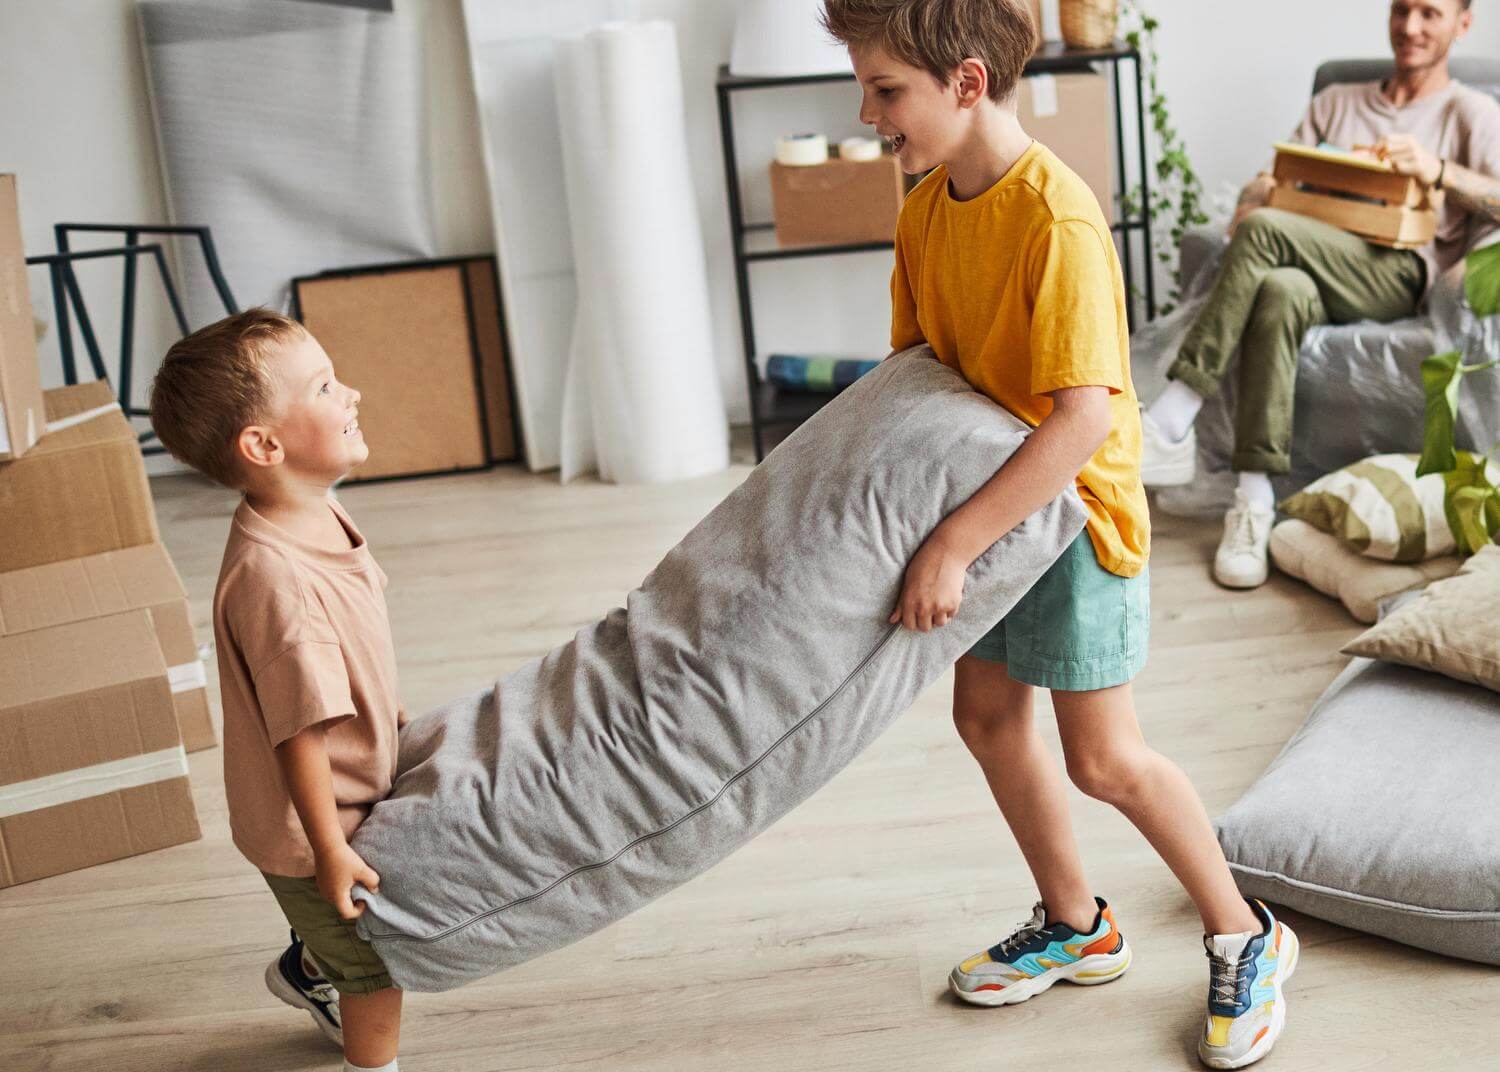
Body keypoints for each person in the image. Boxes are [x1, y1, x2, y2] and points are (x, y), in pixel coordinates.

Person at [820, 1, 1299, 1067]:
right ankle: (1079, 922)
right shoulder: (926, 211)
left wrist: (949, 546)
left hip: (1075, 516)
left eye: (886, 90)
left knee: (1105, 757)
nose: (869, 115)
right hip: (994, 507)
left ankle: (1246, 931)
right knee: (988, 718)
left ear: (969, 82)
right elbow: (917, 381)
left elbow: (1082, 416)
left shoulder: (1056, 217)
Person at [1141, 0, 1500, 589]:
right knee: (1279, 290)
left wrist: (1438, 169)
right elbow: (1270, 178)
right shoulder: (1337, 102)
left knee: (1264, 235)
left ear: (1462, 24)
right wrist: (1259, 195)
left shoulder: (1470, 111)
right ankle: (1254, 502)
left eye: (1430, 13)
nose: (1410, 27)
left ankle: (1172, 416)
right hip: (1309, 258)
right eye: (1402, 9)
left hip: (1397, 273)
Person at [151, 309, 407, 1072]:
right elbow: (301, 732)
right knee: (376, 975)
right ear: (264, 446)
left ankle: (304, 964)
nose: (352, 392)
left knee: (335, 940)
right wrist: (328, 850)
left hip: (350, 786)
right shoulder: (279, 584)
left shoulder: (313, 504)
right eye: (326, 387)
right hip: (309, 828)